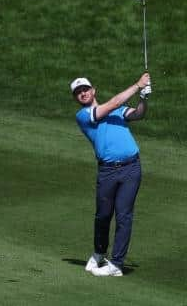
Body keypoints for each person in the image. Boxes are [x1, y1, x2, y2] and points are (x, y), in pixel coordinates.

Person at [71, 72, 152, 277]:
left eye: (85, 89)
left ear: (93, 90)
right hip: (107, 170)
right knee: (103, 215)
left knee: (124, 215)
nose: (83, 93)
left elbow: (138, 114)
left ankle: (116, 264)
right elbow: (114, 103)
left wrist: (144, 97)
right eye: (78, 92)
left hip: (131, 168)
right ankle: (99, 253)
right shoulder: (83, 116)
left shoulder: (117, 111)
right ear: (76, 98)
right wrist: (137, 85)